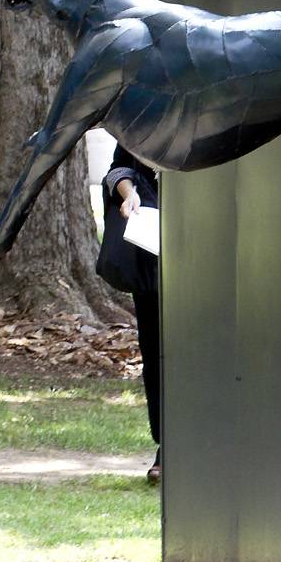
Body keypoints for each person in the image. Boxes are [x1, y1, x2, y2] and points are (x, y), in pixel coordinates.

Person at [97, 140, 161, 483]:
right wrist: (129, 193)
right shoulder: (145, 112)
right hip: (152, 253)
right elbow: (117, 171)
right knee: (156, 355)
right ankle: (168, 446)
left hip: (208, 245)